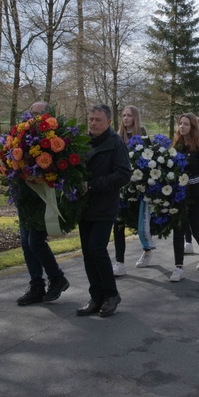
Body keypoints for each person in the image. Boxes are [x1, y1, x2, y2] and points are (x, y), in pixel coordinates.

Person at [76, 105, 131, 317]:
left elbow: (124, 175)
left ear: (108, 122)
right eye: (91, 119)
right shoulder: (83, 142)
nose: (93, 123)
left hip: (105, 205)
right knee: (88, 254)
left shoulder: (116, 143)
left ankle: (111, 295)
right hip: (84, 206)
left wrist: (92, 185)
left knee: (96, 249)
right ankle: (96, 297)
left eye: (98, 120)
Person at [15, 101, 70, 306]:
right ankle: (36, 285)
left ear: (48, 117)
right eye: (31, 114)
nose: (32, 118)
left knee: (35, 242)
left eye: (37, 114)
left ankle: (57, 277)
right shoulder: (20, 136)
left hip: (44, 197)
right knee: (25, 244)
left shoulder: (56, 138)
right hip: (25, 194)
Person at [168, 114, 199, 280]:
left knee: (196, 229)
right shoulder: (177, 146)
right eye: (180, 124)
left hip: (198, 194)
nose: (182, 127)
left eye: (186, 124)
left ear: (193, 127)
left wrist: (189, 181)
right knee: (178, 229)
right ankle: (178, 267)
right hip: (180, 196)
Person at [119, 106, 152, 271]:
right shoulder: (117, 136)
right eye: (124, 115)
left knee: (139, 222)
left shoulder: (143, 135)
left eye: (129, 115)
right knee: (118, 223)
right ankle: (120, 262)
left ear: (135, 118)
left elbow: (150, 158)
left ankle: (146, 251)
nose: (126, 118)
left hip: (138, 185)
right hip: (121, 186)